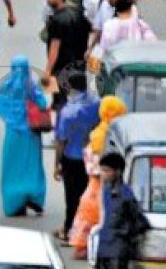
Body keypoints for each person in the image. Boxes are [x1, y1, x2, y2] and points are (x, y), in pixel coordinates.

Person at [71, 97, 129, 259]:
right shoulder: (114, 135)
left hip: (93, 184)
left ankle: (83, 246)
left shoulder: (96, 133)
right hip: (106, 184)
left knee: (88, 215)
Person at [0, 55, 49, 217]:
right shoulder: (32, 87)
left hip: (13, 135)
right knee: (32, 166)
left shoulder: (5, 87)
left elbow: (0, 108)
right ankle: (34, 195)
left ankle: (14, 201)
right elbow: (43, 104)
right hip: (31, 135)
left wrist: (13, 119)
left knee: (12, 167)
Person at [53, 74, 99, 246]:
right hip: (90, 156)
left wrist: (56, 164)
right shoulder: (96, 103)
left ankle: (70, 230)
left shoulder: (67, 111)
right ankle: (84, 229)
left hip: (72, 158)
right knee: (86, 194)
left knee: (72, 197)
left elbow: (61, 141)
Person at [94, 152, 152, 268]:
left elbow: (140, 223)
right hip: (103, 247)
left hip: (118, 251)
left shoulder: (126, 196)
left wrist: (126, 237)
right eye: (102, 170)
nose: (103, 174)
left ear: (118, 172)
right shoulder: (106, 190)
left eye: (107, 171)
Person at [42, 0, 86, 112]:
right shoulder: (74, 15)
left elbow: (54, 47)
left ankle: (61, 127)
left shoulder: (57, 20)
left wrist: (47, 71)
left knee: (59, 103)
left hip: (59, 66)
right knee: (70, 100)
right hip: (74, 64)